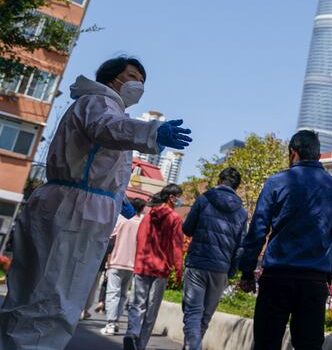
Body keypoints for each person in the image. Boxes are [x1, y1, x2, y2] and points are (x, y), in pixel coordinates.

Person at [0, 57, 192, 350]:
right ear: (112, 78)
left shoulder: (101, 105)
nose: (137, 85)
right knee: (54, 297)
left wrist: (118, 198)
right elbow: (108, 128)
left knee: (35, 294)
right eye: (131, 76)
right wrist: (151, 132)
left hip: (73, 203)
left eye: (142, 81)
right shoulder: (99, 103)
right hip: (75, 211)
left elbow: (98, 161)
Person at [239, 130, 332, 350]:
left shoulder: (277, 182)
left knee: (266, 344)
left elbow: (259, 229)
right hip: (314, 281)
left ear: (293, 153)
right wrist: (329, 273)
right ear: (318, 156)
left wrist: (247, 271)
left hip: (277, 277)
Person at [181, 167, 249, 350]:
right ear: (236, 187)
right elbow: (240, 248)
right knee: (204, 317)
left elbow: (187, 229)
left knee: (193, 314)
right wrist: (231, 271)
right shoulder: (242, 213)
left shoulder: (204, 199)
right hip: (221, 269)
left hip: (197, 263)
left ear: (219, 181)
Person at [124, 184, 186, 350]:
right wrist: (179, 270)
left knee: (137, 303)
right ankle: (140, 345)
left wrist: (139, 259)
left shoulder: (149, 215)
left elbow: (140, 237)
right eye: (179, 196)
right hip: (161, 268)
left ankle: (132, 332)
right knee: (152, 309)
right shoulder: (175, 219)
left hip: (143, 264)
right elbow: (177, 245)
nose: (180, 200)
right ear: (171, 198)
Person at [101, 197, 147, 335]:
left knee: (112, 293)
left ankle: (110, 323)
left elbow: (111, 238)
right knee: (122, 294)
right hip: (132, 264)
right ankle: (116, 321)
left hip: (117, 261)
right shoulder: (142, 223)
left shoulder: (121, 220)